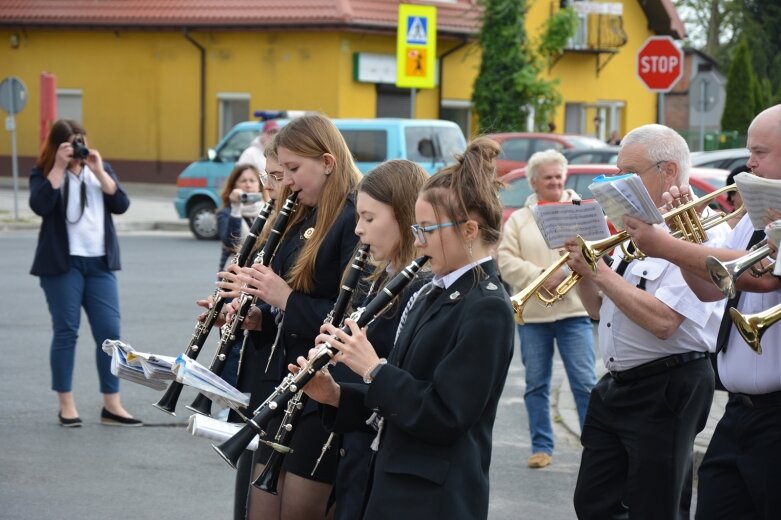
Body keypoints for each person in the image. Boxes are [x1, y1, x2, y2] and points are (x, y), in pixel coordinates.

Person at [297, 137, 515, 519]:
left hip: (433, 499)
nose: (418, 240)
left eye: (428, 229)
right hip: (395, 484)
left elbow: (446, 415)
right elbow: (395, 402)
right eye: (417, 227)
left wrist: (373, 368)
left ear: (469, 230)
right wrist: (336, 396)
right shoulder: (433, 291)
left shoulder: (487, 307)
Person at [621, 105, 781, 519]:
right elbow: (712, 287)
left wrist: (667, 245)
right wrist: (684, 236)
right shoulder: (753, 218)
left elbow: (763, 275)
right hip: (738, 415)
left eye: (760, 151)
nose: (750, 162)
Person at [563, 124, 727, 519]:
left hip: (668, 385)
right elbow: (599, 311)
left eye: (627, 174)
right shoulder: (631, 231)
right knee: (592, 502)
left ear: (668, 172)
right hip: (617, 384)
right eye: (615, 172)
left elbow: (664, 323)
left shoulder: (700, 234)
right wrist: (586, 274)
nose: (615, 184)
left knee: (656, 506)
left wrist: (600, 273)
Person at [222, 113, 362, 520]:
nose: (286, 182)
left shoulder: (353, 217)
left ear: (328, 162)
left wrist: (283, 299)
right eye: (281, 172)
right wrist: (258, 318)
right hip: (279, 382)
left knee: (299, 512)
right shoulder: (303, 212)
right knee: (260, 510)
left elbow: (350, 317)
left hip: (321, 389)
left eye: (293, 170)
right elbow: (284, 302)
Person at [326, 159, 430, 520]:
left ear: (404, 216)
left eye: (369, 219)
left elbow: (409, 386)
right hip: (357, 444)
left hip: (384, 454)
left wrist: (360, 359)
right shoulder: (377, 280)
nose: (358, 229)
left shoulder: (420, 290)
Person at [29, 119, 141, 428]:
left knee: (110, 335)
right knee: (66, 332)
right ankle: (66, 405)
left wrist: (98, 169)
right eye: (70, 143)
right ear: (57, 145)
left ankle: (112, 404)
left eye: (80, 140)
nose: (77, 147)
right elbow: (40, 205)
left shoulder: (98, 169)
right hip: (62, 265)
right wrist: (58, 168)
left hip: (99, 265)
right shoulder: (43, 172)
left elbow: (121, 203)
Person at [497, 149, 596, 469]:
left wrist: (567, 275)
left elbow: (598, 252)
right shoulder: (520, 219)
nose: (555, 181)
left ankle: (594, 447)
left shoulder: (581, 210)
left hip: (574, 312)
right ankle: (542, 446)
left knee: (583, 382)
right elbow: (505, 260)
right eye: (547, 177)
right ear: (534, 182)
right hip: (535, 315)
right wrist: (542, 277)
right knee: (536, 384)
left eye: (558, 176)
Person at [216, 163, 264, 270]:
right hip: (235, 271)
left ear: (259, 185)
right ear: (234, 185)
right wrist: (236, 209)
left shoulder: (269, 211)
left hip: (261, 272)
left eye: (252, 180)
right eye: (243, 181)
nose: (248, 185)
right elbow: (230, 243)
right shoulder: (225, 213)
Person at [238, 119, 280, 191]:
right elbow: (240, 177)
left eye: (275, 133)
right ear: (262, 134)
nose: (272, 136)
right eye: (269, 132)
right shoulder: (250, 153)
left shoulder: (279, 153)